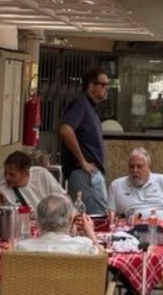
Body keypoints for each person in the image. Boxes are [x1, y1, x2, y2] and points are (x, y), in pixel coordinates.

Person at [60, 67, 110, 216]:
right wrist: (83, 162)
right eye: (103, 85)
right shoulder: (81, 103)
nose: (107, 88)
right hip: (84, 173)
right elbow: (65, 130)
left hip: (90, 173)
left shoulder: (91, 108)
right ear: (91, 86)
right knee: (95, 217)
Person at [107, 147, 163, 220]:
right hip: (131, 225)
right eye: (131, 166)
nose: (135, 170)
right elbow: (111, 215)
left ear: (149, 166)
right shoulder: (117, 186)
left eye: (139, 166)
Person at [16, 194, 100, 255]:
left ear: (38, 221)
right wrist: (90, 234)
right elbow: (101, 262)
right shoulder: (85, 246)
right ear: (70, 220)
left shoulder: (21, 248)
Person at [0, 150, 67, 214]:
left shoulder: (41, 175)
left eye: (12, 175)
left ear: (25, 173)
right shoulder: (1, 189)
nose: (7, 177)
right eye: (5, 173)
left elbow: (63, 199)